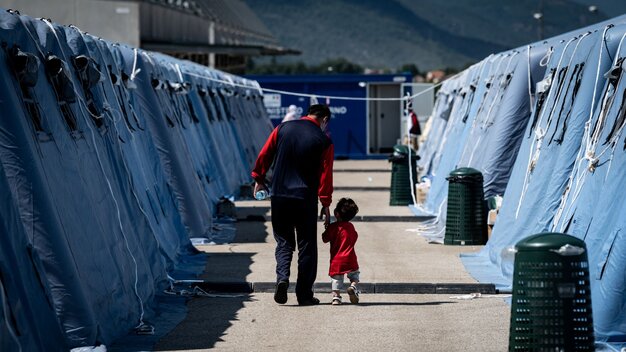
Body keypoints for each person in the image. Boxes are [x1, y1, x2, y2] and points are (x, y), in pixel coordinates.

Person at [251, 104, 334, 306]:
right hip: (305, 198)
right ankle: (304, 295)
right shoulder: (324, 140)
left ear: (307, 114)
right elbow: (326, 175)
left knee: (284, 242)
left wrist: (258, 178)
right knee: (307, 246)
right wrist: (325, 203)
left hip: (280, 196)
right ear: (324, 120)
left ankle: (282, 278)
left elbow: (265, 154)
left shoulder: (282, 128)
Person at [322, 198, 361, 305]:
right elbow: (355, 237)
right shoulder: (351, 227)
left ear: (336, 213)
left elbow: (324, 239)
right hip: (350, 258)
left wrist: (327, 228)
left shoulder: (333, 227)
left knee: (336, 279)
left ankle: (336, 298)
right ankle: (353, 286)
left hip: (336, 260)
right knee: (355, 275)